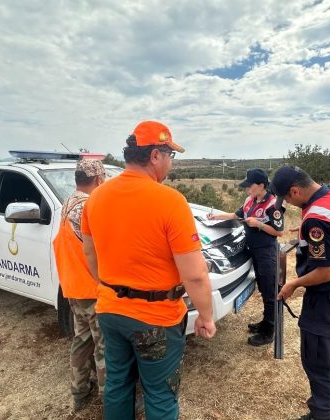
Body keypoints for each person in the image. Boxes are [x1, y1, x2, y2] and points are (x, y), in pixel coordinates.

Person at [81, 120, 216, 420]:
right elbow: (194, 274)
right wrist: (206, 316)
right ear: (155, 156)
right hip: (156, 319)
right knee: (160, 394)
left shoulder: (97, 198)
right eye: (170, 155)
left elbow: (90, 254)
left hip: (110, 311)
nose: (171, 162)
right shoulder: (170, 201)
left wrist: (110, 287)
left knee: (117, 384)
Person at [272, 166, 330, 420]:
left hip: (329, 301)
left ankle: (320, 414)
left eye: (287, 199)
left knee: (319, 361)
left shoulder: (316, 220)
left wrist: (294, 283)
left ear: (295, 190)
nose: (288, 204)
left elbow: (327, 272)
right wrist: (307, 235)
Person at [207, 168, 284, 346]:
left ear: (261, 185)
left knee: (269, 290)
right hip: (253, 252)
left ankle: (269, 331)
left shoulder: (273, 205)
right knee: (263, 289)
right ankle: (265, 322)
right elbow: (236, 215)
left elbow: (279, 232)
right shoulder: (250, 201)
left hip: (266, 253)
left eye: (250, 186)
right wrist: (214, 217)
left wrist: (258, 224)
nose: (247, 189)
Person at [52, 159, 106, 411]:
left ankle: (80, 392)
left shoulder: (67, 203)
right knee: (105, 347)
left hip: (72, 286)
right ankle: (112, 401)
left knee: (82, 340)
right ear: (98, 180)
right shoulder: (89, 207)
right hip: (92, 289)